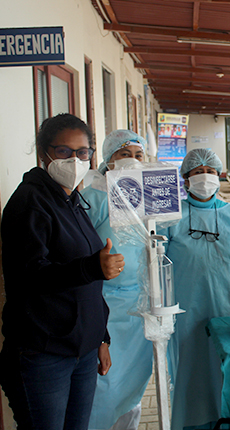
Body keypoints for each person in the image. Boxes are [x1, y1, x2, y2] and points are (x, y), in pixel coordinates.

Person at [0, 113, 125, 430]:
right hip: (43, 353)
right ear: (44, 154)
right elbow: (31, 276)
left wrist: (101, 336)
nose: (75, 160)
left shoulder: (70, 200)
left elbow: (89, 285)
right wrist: (91, 267)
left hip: (81, 350)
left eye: (82, 152)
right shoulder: (30, 202)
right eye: (64, 152)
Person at [164, 148, 230, 430]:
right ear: (185, 179)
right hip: (188, 310)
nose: (205, 177)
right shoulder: (171, 217)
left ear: (220, 176)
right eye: (198, 172)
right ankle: (193, 424)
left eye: (210, 171)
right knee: (192, 369)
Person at [82, 130, 153, 430]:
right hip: (103, 304)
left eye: (139, 156)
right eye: (124, 155)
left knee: (133, 383)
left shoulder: (148, 196)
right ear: (108, 161)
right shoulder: (94, 196)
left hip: (139, 307)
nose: (133, 162)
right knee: (103, 384)